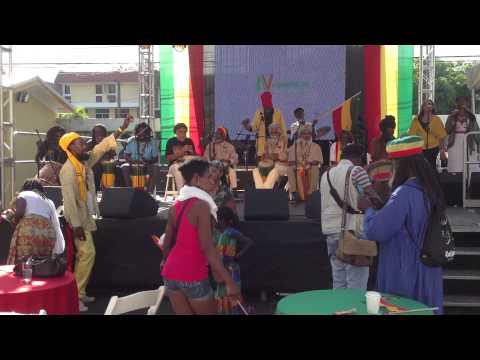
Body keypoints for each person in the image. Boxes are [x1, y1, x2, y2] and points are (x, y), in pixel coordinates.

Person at [363, 135, 444, 314]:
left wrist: (368, 210)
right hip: (428, 271)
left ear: (402, 166)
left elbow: (375, 231)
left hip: (404, 272)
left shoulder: (403, 194)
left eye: (394, 165)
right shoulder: (429, 189)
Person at [59, 116, 131, 312]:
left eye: (83, 143)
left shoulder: (82, 163)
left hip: (84, 217)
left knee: (86, 254)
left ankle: (79, 293)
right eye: (80, 143)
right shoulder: (68, 171)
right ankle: (75, 296)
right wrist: (76, 227)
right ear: (70, 148)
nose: (85, 145)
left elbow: (101, 149)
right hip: (77, 220)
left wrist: (121, 129)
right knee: (87, 253)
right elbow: (69, 202)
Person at [161, 158, 241, 315]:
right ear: (197, 179)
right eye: (209, 177)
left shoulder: (176, 204)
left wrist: (164, 261)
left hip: (170, 273)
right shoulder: (202, 206)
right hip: (192, 274)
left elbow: (167, 242)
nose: (214, 182)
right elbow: (207, 248)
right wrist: (229, 281)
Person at [320, 143, 382, 290]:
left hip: (331, 232)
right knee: (356, 285)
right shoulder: (357, 171)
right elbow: (374, 198)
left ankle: (339, 311)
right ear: (359, 158)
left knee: (339, 283)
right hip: (352, 231)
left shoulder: (326, 174)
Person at [6, 178, 65, 265]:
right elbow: (55, 224)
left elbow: (20, 212)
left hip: (29, 231)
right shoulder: (49, 201)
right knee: (40, 263)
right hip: (48, 234)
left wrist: (14, 219)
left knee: (23, 263)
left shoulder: (24, 194)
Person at [213, 206, 253, 315]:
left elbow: (249, 242)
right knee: (222, 296)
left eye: (219, 219)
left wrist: (238, 255)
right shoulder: (216, 233)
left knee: (233, 298)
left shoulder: (231, 232)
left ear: (225, 220)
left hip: (231, 270)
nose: (218, 221)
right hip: (220, 270)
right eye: (217, 219)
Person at [241, 91, 287, 157]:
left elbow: (283, 129)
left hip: (276, 144)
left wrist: (284, 145)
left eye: (268, 108)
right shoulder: (259, 112)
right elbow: (254, 127)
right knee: (262, 163)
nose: (266, 109)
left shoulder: (278, 112)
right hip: (262, 144)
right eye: (265, 107)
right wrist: (246, 125)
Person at [408, 99, 447, 172]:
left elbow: (442, 135)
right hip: (420, 148)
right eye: (426, 104)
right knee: (421, 168)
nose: (428, 106)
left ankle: (433, 182)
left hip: (433, 147)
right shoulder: (416, 120)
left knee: (431, 167)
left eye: (430, 104)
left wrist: (442, 150)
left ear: (432, 107)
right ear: (423, 107)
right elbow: (411, 135)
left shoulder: (436, 119)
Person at [288, 124, 323, 202]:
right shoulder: (295, 146)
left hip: (310, 167)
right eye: (304, 133)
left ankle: (311, 193)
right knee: (290, 168)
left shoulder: (316, 146)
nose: (307, 135)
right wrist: (299, 165)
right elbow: (290, 161)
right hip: (298, 167)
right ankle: (294, 193)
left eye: (309, 133)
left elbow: (318, 161)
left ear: (311, 135)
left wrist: (309, 163)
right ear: (300, 135)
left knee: (315, 168)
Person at [445, 96, 480, 173]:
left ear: (467, 103)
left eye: (464, 101)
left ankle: (470, 181)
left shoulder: (471, 116)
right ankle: (456, 180)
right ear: (456, 104)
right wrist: (452, 122)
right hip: (454, 142)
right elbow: (447, 130)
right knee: (455, 163)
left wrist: (478, 144)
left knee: (469, 164)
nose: (462, 103)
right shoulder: (452, 115)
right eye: (459, 102)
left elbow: (476, 131)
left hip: (469, 142)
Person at [121, 122, 159, 193]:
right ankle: (130, 191)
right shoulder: (131, 140)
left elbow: (155, 158)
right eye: (140, 132)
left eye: (144, 132)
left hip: (147, 164)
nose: (142, 134)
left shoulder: (152, 141)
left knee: (155, 168)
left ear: (148, 133)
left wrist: (147, 162)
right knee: (124, 167)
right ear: (137, 132)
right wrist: (132, 161)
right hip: (133, 164)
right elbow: (126, 155)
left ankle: (149, 193)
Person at [252, 123, 289, 189]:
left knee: (273, 171)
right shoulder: (267, 141)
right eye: (271, 130)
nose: (273, 132)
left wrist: (275, 156)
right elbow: (264, 154)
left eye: (275, 130)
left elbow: (285, 156)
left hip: (281, 165)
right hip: (269, 164)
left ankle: (266, 191)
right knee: (256, 171)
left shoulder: (284, 140)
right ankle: (260, 190)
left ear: (279, 131)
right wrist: (262, 157)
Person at [204, 127, 238, 192]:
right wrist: (211, 162)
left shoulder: (230, 146)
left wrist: (228, 161)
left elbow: (235, 159)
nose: (216, 135)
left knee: (227, 170)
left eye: (219, 134)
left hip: (225, 166)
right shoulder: (210, 146)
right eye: (216, 133)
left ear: (223, 136)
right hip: (212, 166)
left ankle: (227, 189)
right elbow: (205, 157)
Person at [165, 123, 197, 190]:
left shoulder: (189, 141)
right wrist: (182, 151)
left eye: (185, 132)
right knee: (178, 169)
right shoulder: (171, 141)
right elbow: (168, 158)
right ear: (175, 132)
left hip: (187, 164)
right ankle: (182, 194)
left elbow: (194, 157)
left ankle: (195, 192)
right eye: (180, 132)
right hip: (174, 165)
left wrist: (192, 153)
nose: (183, 134)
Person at [86, 124, 117, 191]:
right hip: (93, 166)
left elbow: (112, 157)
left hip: (106, 165)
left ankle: (114, 192)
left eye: (100, 132)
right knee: (96, 169)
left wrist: (110, 161)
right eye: (96, 132)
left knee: (118, 169)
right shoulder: (89, 144)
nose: (98, 134)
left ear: (104, 133)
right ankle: (95, 191)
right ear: (93, 134)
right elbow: (87, 157)